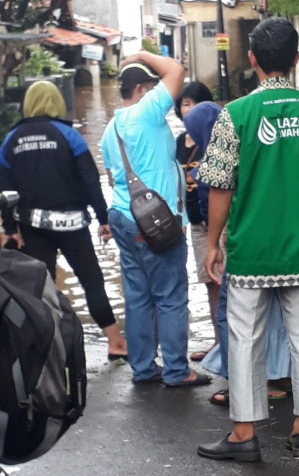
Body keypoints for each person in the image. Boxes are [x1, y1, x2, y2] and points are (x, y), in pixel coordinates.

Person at [196, 18, 299, 462]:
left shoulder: (236, 114)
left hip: (252, 250)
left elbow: (220, 186)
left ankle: (244, 434)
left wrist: (213, 242)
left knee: (244, 339)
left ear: (252, 60)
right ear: (297, 59)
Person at [100, 52, 210, 387]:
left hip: (122, 217)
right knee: (171, 296)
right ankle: (177, 370)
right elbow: (176, 70)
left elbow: (111, 178)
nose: (158, 92)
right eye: (152, 86)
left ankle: (144, 368)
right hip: (156, 223)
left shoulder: (110, 129)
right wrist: (141, 55)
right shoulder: (146, 112)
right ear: (142, 89)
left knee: (137, 297)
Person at [0, 80, 128, 362]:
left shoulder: (10, 140)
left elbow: (4, 194)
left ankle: (48, 349)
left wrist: (10, 230)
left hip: (33, 227)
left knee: (40, 287)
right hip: (72, 225)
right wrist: (103, 219)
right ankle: (116, 342)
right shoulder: (69, 135)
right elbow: (91, 181)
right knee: (92, 281)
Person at [175, 88, 221, 362]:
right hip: (196, 223)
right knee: (210, 282)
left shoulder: (219, 143)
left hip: (221, 223)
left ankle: (230, 348)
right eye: (184, 104)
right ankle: (218, 344)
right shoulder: (180, 142)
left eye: (194, 104)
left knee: (229, 283)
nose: (188, 109)